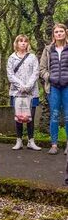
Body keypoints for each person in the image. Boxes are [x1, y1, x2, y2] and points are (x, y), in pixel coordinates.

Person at [7, 35, 41, 151]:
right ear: (16, 43)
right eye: (20, 41)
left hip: (31, 92)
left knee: (30, 116)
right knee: (19, 117)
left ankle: (31, 141)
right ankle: (19, 140)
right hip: (17, 92)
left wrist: (27, 86)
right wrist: (20, 85)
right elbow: (10, 74)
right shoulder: (12, 58)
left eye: (25, 41)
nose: (23, 43)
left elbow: (36, 72)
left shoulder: (32, 57)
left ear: (28, 44)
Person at [40, 23, 68, 155]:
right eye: (56, 32)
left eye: (61, 31)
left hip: (67, 87)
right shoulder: (48, 50)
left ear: (65, 32)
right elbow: (42, 69)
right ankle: (54, 144)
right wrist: (49, 77)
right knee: (55, 116)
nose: (59, 34)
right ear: (53, 35)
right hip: (53, 88)